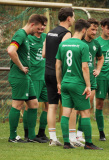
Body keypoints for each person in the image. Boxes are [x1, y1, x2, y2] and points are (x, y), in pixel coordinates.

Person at [56, 19, 103, 150]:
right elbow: (85, 68)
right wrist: (88, 86)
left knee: (65, 112)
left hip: (65, 82)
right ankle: (88, 143)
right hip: (78, 84)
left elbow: (57, 65)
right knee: (85, 113)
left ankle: (66, 142)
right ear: (83, 30)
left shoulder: (63, 44)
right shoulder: (83, 46)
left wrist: (59, 83)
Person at [7, 14, 45, 143]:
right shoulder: (21, 34)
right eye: (38, 28)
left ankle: (31, 136)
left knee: (34, 104)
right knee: (17, 105)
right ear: (33, 25)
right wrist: (21, 67)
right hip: (19, 76)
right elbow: (11, 50)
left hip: (26, 76)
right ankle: (13, 137)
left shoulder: (27, 36)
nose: (39, 31)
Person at [42, 7, 75, 146]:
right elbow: (65, 57)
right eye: (73, 17)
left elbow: (44, 54)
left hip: (47, 72)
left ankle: (53, 138)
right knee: (69, 105)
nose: (73, 20)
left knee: (52, 106)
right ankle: (71, 138)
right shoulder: (66, 34)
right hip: (59, 74)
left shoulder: (49, 32)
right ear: (69, 18)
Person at [75, 18, 104, 143]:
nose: (94, 32)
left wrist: (98, 69)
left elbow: (101, 58)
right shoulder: (78, 42)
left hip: (91, 80)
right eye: (92, 29)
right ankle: (71, 133)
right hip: (78, 78)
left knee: (87, 106)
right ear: (85, 29)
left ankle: (79, 134)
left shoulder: (96, 44)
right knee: (75, 109)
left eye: (96, 30)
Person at [22, 15, 49, 142]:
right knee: (31, 106)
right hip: (33, 76)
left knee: (49, 104)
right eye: (40, 25)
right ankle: (28, 134)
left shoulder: (46, 38)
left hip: (45, 76)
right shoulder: (27, 38)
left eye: (44, 25)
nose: (42, 28)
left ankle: (41, 133)